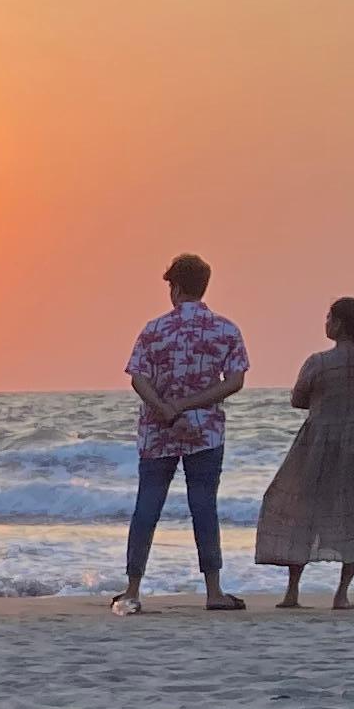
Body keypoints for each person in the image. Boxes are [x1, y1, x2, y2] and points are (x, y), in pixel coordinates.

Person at [112, 254, 250, 613]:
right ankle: (213, 591)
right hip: (206, 433)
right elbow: (235, 381)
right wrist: (194, 404)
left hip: (158, 432)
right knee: (204, 508)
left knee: (147, 507)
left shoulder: (154, 329)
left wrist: (168, 409)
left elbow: (138, 378)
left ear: (174, 287)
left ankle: (132, 590)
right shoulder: (226, 330)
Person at [253, 294, 354, 610]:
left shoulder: (319, 362)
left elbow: (298, 399)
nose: (326, 323)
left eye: (329, 318)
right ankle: (341, 594)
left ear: (339, 323)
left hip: (318, 447)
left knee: (300, 514)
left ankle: (292, 592)